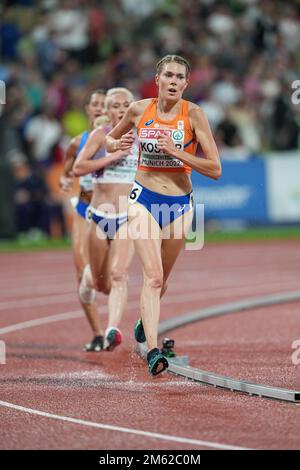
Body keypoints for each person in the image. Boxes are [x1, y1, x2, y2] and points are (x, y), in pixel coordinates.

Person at [105, 55, 221, 375]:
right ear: (157, 79)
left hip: (180, 204)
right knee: (152, 277)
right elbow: (110, 136)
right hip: (143, 198)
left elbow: (215, 169)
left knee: (163, 280)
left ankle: (145, 320)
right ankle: (154, 350)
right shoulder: (139, 109)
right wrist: (118, 142)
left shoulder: (194, 115)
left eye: (178, 77)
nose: (172, 81)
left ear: (186, 83)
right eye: (167, 75)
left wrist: (178, 152)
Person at [73, 88, 138, 351]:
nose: (121, 109)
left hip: (127, 216)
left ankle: (112, 329)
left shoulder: (143, 136)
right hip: (100, 216)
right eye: (115, 105)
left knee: (119, 275)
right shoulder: (100, 135)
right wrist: (112, 157)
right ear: (108, 110)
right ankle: (88, 278)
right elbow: (78, 167)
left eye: (126, 104)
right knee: (102, 284)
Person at [59, 89, 106, 352]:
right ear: (88, 109)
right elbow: (65, 174)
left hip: (112, 213)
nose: (99, 108)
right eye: (95, 104)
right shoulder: (77, 143)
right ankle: (98, 333)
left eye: (104, 104)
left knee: (110, 276)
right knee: (81, 273)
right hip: (85, 211)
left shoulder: (119, 141)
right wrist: (65, 180)